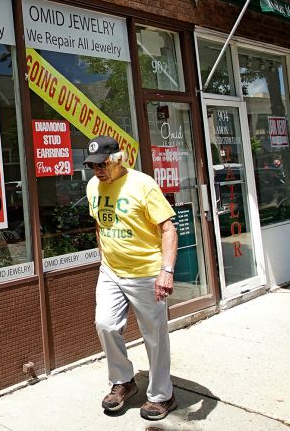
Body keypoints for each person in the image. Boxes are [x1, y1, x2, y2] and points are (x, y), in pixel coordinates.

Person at [84, 135, 179, 421]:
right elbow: (100, 226)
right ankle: (123, 381)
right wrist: (105, 259)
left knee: (155, 335)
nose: (98, 170)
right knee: (105, 324)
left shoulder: (143, 185)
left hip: (147, 273)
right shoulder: (92, 186)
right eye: (92, 165)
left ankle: (163, 395)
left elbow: (168, 229)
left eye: (103, 164)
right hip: (111, 271)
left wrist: (167, 270)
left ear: (119, 158)